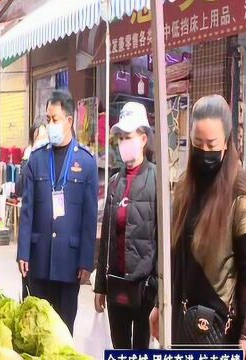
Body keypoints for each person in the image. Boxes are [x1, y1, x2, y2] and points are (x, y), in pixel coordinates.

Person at [149, 95, 246, 359]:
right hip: (180, 318)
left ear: (226, 144)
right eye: (198, 144)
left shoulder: (240, 198)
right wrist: (158, 306)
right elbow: (173, 255)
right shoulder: (185, 188)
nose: (205, 151)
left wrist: (245, 336)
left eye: (212, 144)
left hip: (219, 330)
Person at [17, 90, 99, 333]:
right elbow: (27, 209)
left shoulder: (86, 162)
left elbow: (89, 216)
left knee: (63, 331)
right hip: (38, 258)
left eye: (55, 119)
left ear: (69, 121)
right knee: (34, 329)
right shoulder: (37, 159)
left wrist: (86, 261)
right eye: (48, 119)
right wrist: (23, 252)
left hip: (69, 262)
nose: (50, 125)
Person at [94, 102, 158, 349]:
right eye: (120, 138)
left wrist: (160, 295)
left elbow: (165, 243)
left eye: (128, 137)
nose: (123, 143)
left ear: (143, 138)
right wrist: (101, 286)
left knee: (141, 351)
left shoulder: (156, 180)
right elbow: (107, 238)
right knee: (119, 348)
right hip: (116, 284)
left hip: (144, 290)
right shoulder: (114, 182)